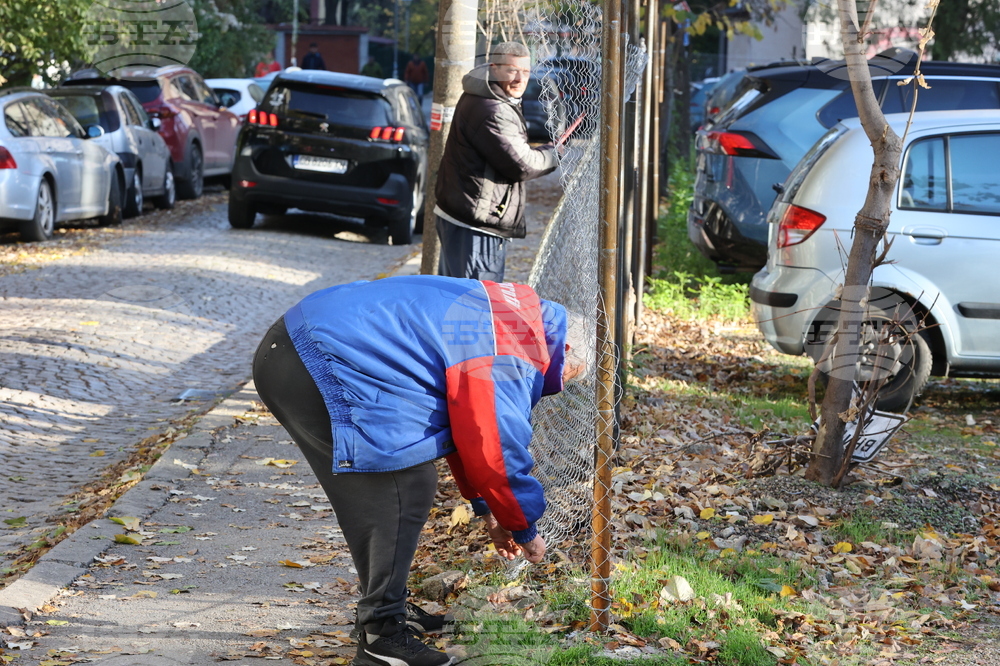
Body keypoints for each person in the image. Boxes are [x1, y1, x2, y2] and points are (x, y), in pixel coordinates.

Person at [252, 276, 590, 666]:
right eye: (566, 376)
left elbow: (467, 426)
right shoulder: (513, 350)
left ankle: (387, 612)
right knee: (404, 484)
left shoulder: (513, 315)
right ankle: (382, 636)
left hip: (300, 342)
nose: (556, 385)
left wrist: (488, 508)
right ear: (564, 349)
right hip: (318, 360)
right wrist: (523, 526)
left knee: (391, 487)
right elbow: (496, 446)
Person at [435, 42, 558, 282]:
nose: (520, 79)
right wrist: (554, 153)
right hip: (476, 225)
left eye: (526, 71)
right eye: (512, 70)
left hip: (462, 215)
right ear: (493, 68)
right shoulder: (492, 109)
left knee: (455, 295)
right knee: (477, 299)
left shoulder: (486, 95)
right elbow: (523, 164)